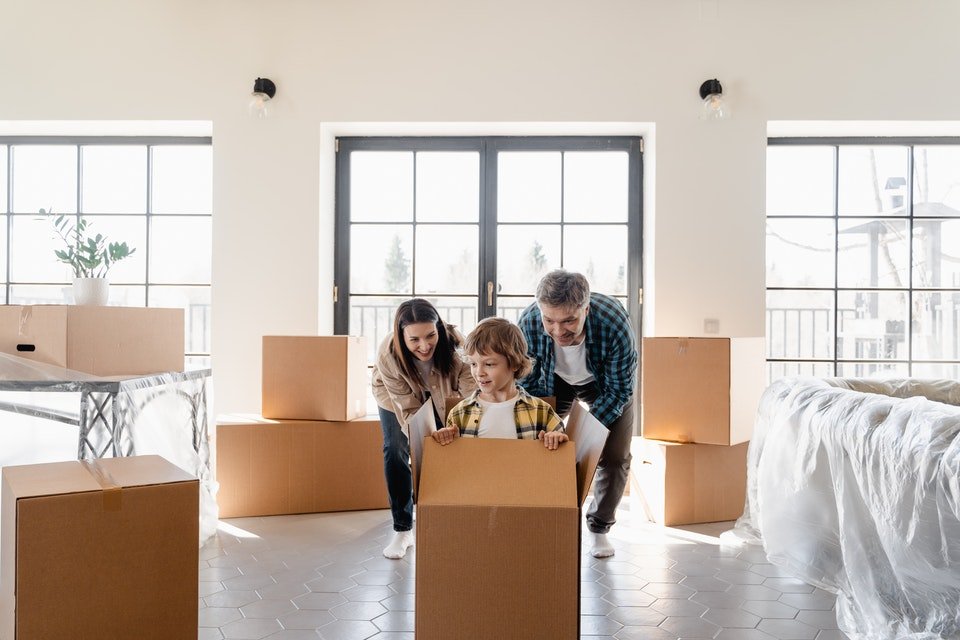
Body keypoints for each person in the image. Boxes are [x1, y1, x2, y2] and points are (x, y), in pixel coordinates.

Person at [517, 270, 637, 558]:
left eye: (569, 320)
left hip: (604, 385)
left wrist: (583, 439)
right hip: (553, 381)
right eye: (550, 321)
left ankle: (599, 528)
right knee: (539, 446)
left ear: (586, 308)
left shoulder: (613, 322)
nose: (558, 331)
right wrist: (547, 426)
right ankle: (546, 520)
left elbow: (619, 390)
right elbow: (527, 384)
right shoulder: (529, 321)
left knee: (614, 455)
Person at [372, 298, 475, 559]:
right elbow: (408, 409)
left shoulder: (457, 346)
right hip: (395, 397)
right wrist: (427, 435)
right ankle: (403, 528)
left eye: (431, 335)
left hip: (445, 392)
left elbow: (470, 395)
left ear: (439, 327)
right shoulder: (388, 355)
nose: (425, 345)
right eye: (415, 340)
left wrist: (452, 427)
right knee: (395, 448)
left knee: (451, 445)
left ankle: (450, 516)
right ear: (401, 335)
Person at [435, 317, 568, 450]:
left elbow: (562, 447)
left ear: (515, 363)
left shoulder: (541, 411)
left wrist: (556, 438)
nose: (479, 372)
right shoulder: (459, 413)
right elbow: (453, 461)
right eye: (473, 364)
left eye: (489, 364)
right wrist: (445, 439)